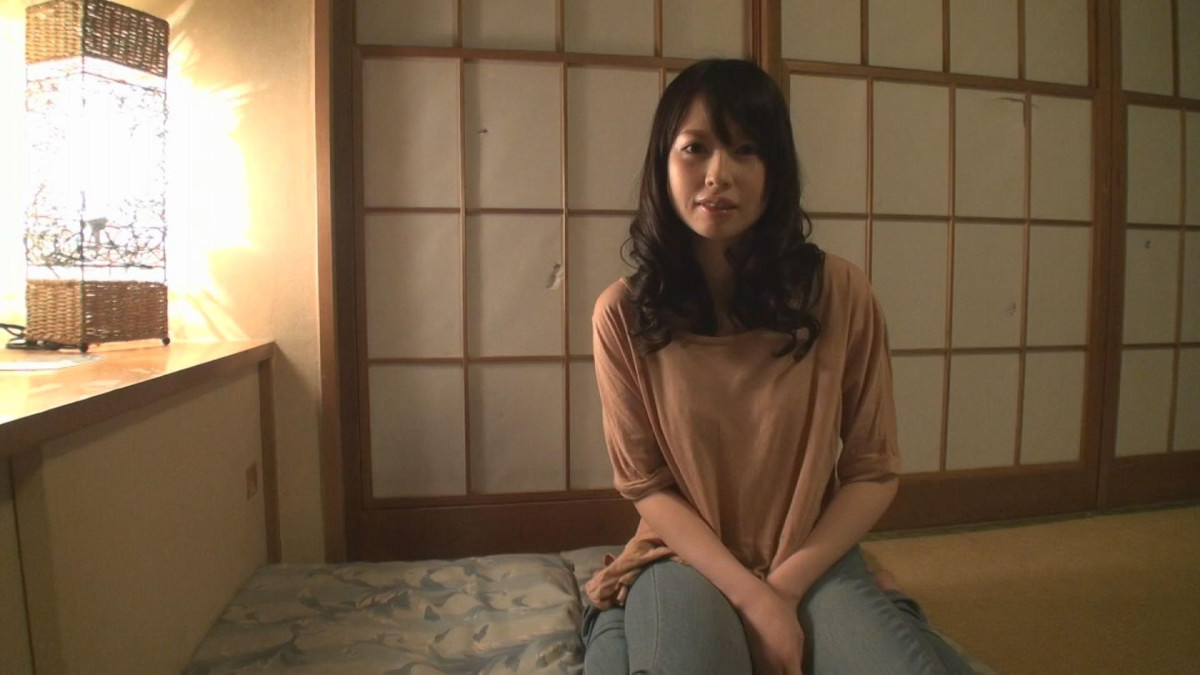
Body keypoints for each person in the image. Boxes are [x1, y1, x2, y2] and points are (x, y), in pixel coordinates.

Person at [580, 59, 974, 675]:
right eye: (695, 148)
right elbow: (646, 485)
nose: (719, 174)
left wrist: (780, 592)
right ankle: (612, 619)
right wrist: (749, 596)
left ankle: (885, 606)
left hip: (809, 554)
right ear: (663, 164)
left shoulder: (840, 291)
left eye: (746, 150)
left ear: (776, 170)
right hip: (682, 556)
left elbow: (872, 470)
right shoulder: (622, 314)